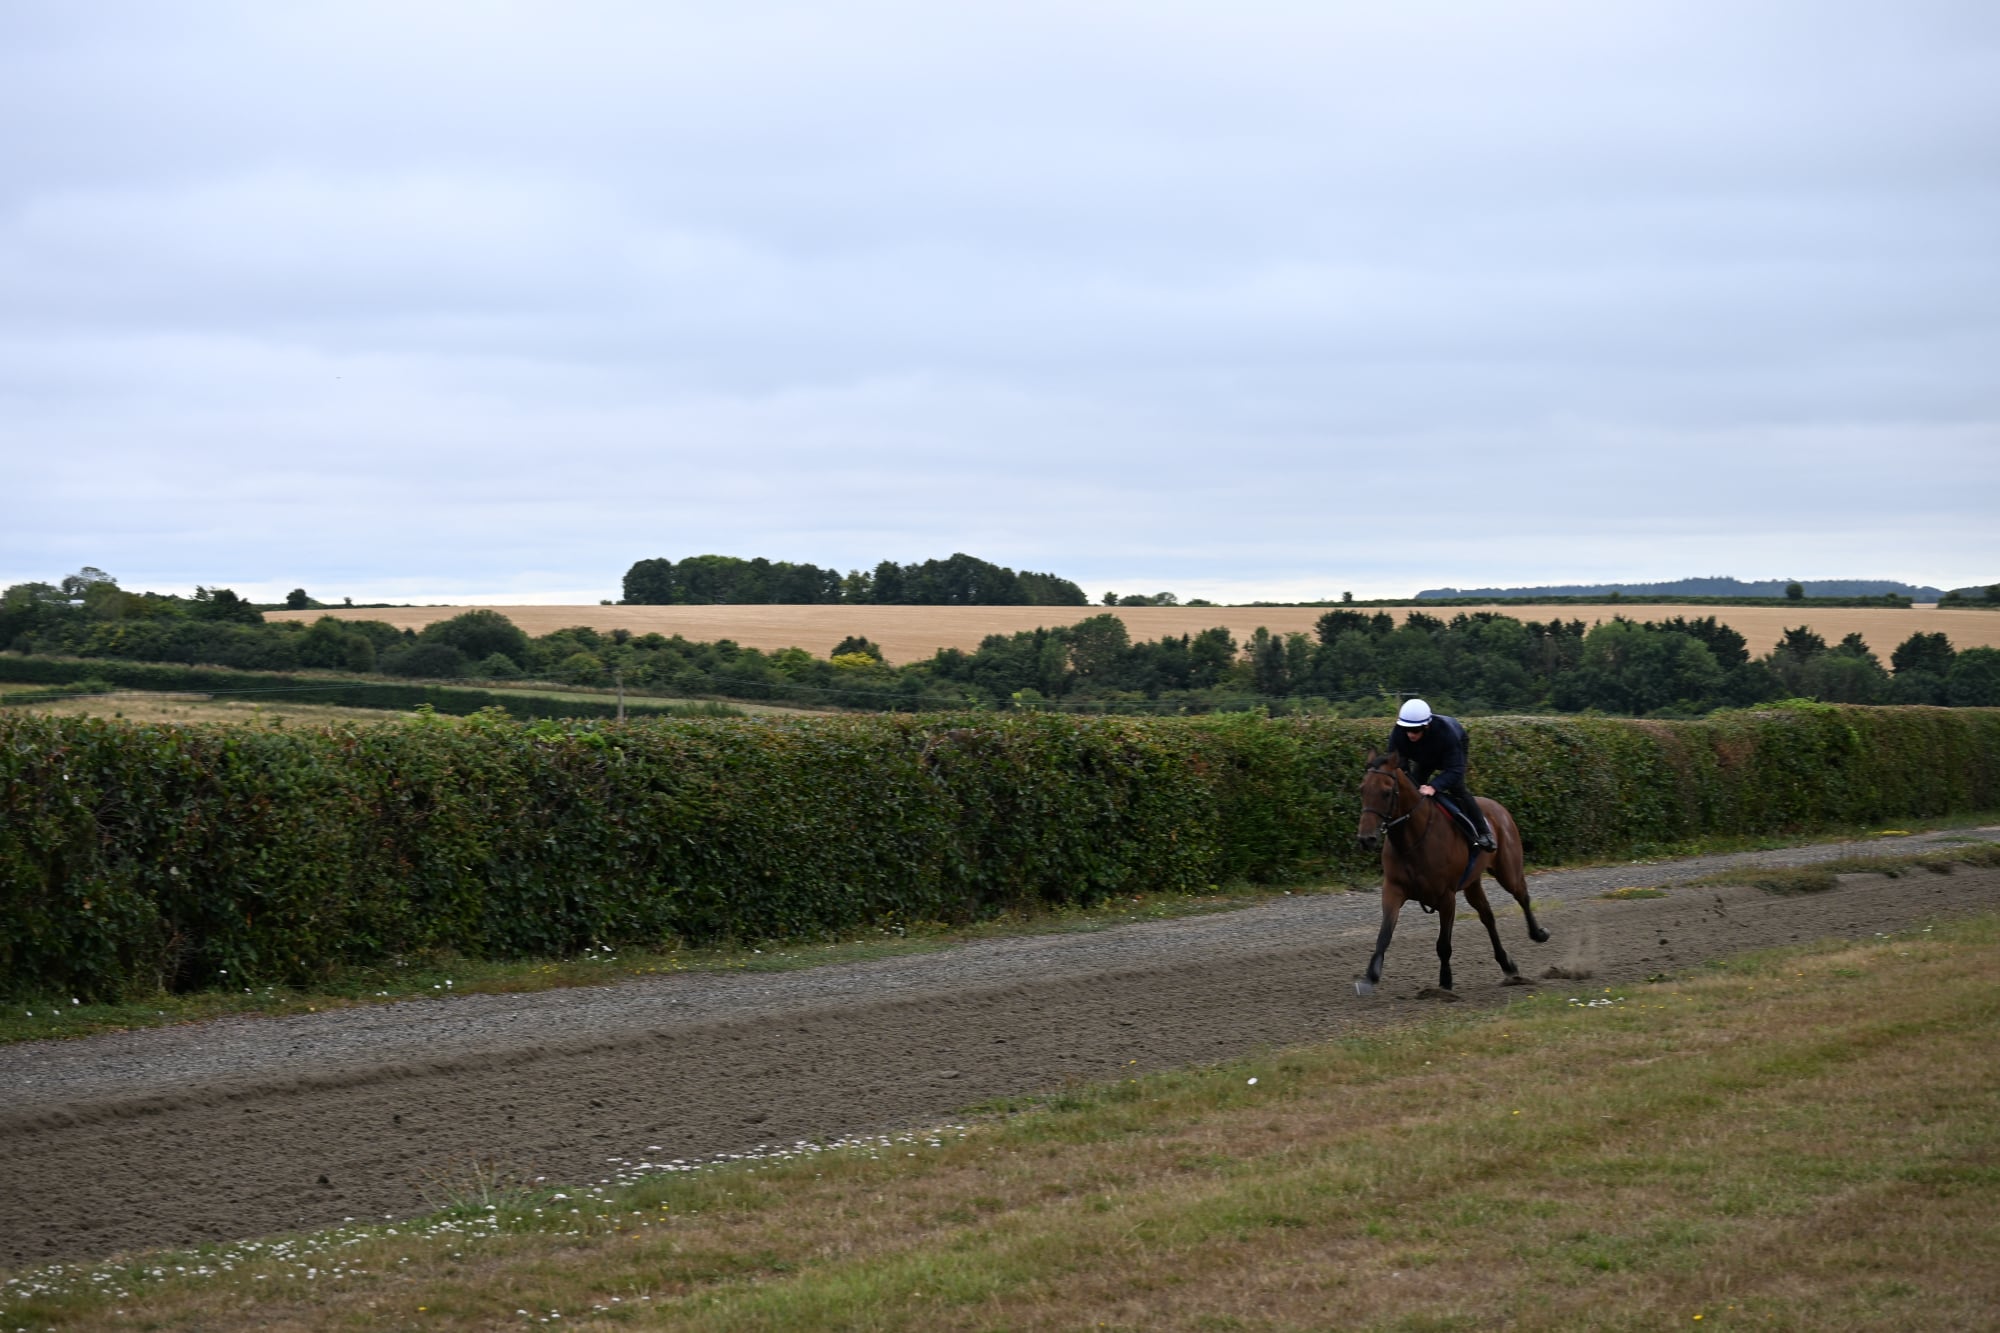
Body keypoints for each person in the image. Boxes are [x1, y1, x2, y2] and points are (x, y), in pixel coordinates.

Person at [1384, 698, 1495, 851]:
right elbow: (1397, 764)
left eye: (1415, 730)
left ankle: (1484, 832)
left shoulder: (1446, 734)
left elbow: (1455, 769)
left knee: (1458, 789)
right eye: (1407, 729)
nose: (1410, 734)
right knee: (1411, 787)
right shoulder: (1398, 733)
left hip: (1450, 750)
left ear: (1426, 726)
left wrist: (1434, 786)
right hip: (1425, 755)